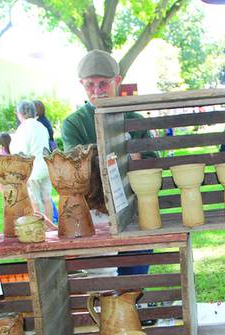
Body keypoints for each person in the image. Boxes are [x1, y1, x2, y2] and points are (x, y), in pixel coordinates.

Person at [62, 49, 156, 276]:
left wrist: (137, 159)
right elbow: (76, 171)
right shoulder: (74, 124)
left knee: (134, 278)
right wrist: (125, 156)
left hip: (135, 211)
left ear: (117, 81)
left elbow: (153, 167)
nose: (97, 91)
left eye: (103, 83)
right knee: (101, 282)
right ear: (81, 84)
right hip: (95, 214)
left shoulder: (135, 120)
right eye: (90, 85)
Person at [10, 100, 53, 223]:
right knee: (47, 198)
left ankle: (39, 227)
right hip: (45, 167)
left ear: (20, 114)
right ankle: (49, 226)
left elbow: (18, 152)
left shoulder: (23, 129)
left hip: (32, 170)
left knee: (34, 200)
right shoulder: (41, 126)